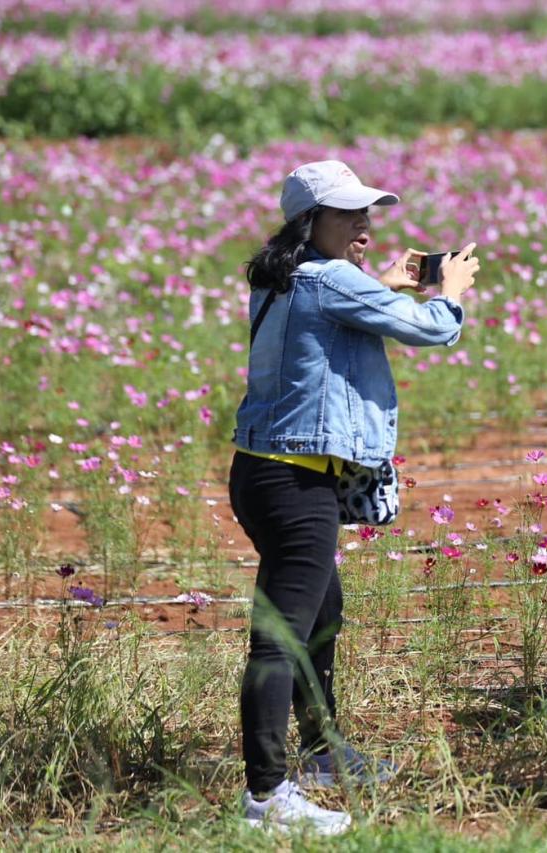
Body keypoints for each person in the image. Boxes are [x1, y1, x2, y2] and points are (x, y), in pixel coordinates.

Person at [229, 160, 480, 833]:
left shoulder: (278, 277)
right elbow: (432, 329)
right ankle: (266, 796)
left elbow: (332, 316)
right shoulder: (331, 280)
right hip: (296, 480)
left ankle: (319, 754)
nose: (366, 225)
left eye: (367, 212)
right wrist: (448, 291)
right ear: (311, 222)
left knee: (319, 611)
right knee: (280, 635)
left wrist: (383, 283)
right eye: (350, 215)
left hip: (260, 473)